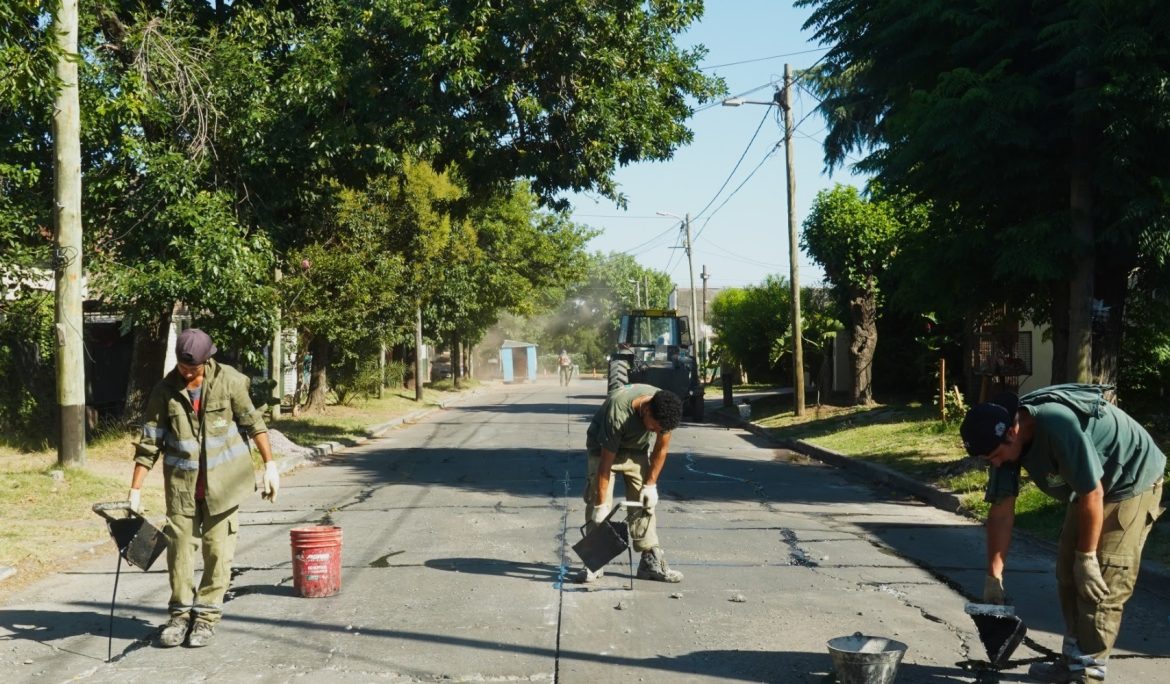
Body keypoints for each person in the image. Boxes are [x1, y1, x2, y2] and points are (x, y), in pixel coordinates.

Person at [960, 384, 1165, 683]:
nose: (995, 463)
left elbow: (1093, 493)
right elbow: (1001, 513)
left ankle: (1087, 672)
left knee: (1102, 578)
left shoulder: (1058, 424)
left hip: (1130, 478)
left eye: (994, 456)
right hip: (1089, 486)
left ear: (1013, 432)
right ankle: (1071, 664)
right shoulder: (1001, 443)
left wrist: (1088, 557)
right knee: (1068, 572)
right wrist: (994, 578)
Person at [127, 328, 280, 648]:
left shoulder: (230, 382)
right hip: (182, 488)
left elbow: (255, 424)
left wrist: (270, 465)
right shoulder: (164, 391)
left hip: (224, 487)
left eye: (193, 368)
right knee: (179, 551)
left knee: (217, 552)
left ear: (207, 360)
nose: (187, 374)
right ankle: (180, 615)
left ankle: (206, 617)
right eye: (182, 367)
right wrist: (135, 490)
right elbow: (149, 443)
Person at [580, 384, 685, 583]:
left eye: (658, 430)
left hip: (636, 449)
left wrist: (650, 486)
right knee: (598, 500)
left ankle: (649, 560)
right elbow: (605, 465)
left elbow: (660, 450)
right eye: (653, 427)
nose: (654, 431)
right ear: (646, 410)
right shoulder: (618, 411)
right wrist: (601, 506)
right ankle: (594, 561)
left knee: (644, 503)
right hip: (602, 449)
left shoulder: (665, 410)